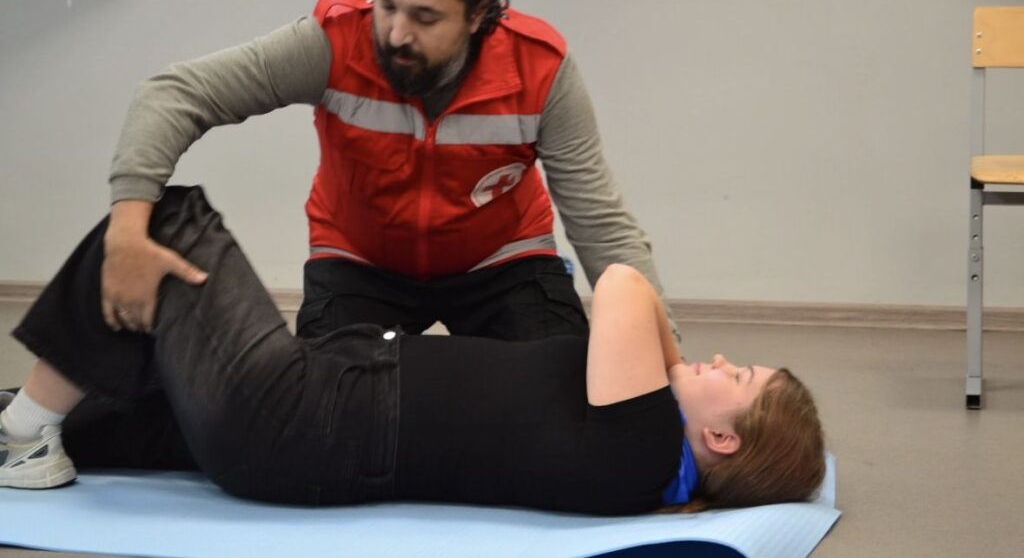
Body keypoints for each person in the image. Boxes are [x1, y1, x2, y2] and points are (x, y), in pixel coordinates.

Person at [0, 187, 824, 514]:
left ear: (723, 439)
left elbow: (621, 283)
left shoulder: (643, 444)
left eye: (737, 378)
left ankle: (26, 436)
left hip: (302, 419)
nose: (719, 363)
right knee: (114, 404)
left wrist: (672, 359)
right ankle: (28, 425)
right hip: (311, 412)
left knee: (163, 229)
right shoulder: (639, 456)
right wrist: (675, 367)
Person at [102, 0, 676, 344]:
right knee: (325, 421)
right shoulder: (332, 42)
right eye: (386, 5)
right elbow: (173, 94)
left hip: (501, 260)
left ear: (479, 13)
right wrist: (126, 232)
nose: (397, 33)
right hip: (361, 261)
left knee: (564, 403)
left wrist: (667, 360)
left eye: (425, 17)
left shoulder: (541, 69)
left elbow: (602, 226)